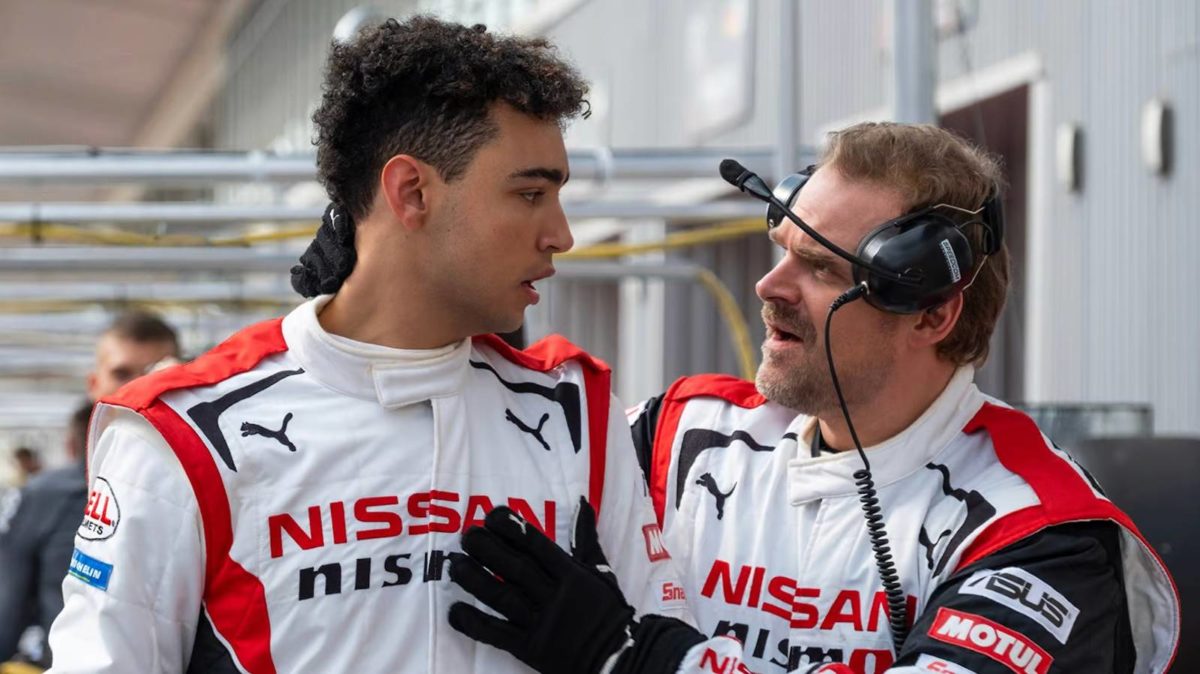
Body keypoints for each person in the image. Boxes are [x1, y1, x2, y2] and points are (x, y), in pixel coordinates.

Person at [46, 16, 683, 674]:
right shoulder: (187, 433)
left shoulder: (576, 412)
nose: (561, 234)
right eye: (530, 194)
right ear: (411, 192)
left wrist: (613, 652)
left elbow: (673, 641)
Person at [446, 123, 1180, 673]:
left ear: (931, 315)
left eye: (823, 269)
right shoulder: (685, 436)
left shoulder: (1040, 531)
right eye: (783, 252)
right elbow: (477, 457)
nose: (769, 287)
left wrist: (632, 658)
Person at [0, 310, 180, 668]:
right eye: (122, 373)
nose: (140, 386)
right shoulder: (43, 497)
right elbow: (7, 614)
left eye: (155, 372)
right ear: (94, 383)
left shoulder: (215, 489)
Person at [0, 405, 92, 668]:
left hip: (62, 659)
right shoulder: (171, 492)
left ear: (70, 446)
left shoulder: (42, 493)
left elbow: (10, 599)